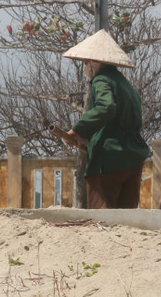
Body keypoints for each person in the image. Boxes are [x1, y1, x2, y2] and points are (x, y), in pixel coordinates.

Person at [62, 30, 151, 209]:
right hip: (133, 159)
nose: (85, 66)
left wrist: (78, 129)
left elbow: (106, 107)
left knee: (102, 219)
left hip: (108, 160)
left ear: (95, 63)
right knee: (126, 220)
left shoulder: (101, 80)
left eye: (86, 61)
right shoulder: (126, 85)